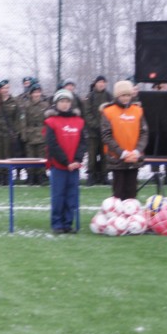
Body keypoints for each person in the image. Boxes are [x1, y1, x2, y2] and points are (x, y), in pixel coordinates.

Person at [45, 89, 86, 233]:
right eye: (61, 101)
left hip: (74, 167)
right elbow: (52, 145)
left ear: (71, 103)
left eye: (67, 101)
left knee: (71, 196)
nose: (64, 104)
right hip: (59, 166)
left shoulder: (79, 122)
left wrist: (76, 160)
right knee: (58, 196)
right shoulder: (51, 122)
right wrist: (65, 162)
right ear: (56, 103)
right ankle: (57, 224)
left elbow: (82, 143)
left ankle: (68, 224)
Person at [100, 80, 149, 200]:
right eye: (123, 95)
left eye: (128, 95)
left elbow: (144, 132)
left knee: (132, 194)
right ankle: (118, 217)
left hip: (134, 159)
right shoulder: (108, 111)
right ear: (117, 96)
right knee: (118, 194)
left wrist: (137, 151)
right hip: (117, 159)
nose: (126, 98)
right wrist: (122, 153)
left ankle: (131, 217)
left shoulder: (138, 110)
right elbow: (106, 136)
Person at [83, 75, 112, 186]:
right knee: (92, 155)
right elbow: (87, 113)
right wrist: (96, 125)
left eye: (103, 82)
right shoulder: (90, 96)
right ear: (95, 83)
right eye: (99, 82)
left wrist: (106, 126)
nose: (101, 84)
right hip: (92, 133)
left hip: (106, 132)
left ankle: (104, 175)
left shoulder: (109, 96)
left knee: (105, 155)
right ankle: (91, 175)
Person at [20, 84, 49, 185]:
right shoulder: (26, 105)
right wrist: (24, 134)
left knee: (41, 156)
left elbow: (48, 121)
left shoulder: (45, 105)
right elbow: (23, 121)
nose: (36, 94)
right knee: (30, 157)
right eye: (34, 93)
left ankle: (41, 176)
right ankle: (31, 176)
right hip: (30, 133)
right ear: (31, 94)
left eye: (38, 92)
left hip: (42, 133)